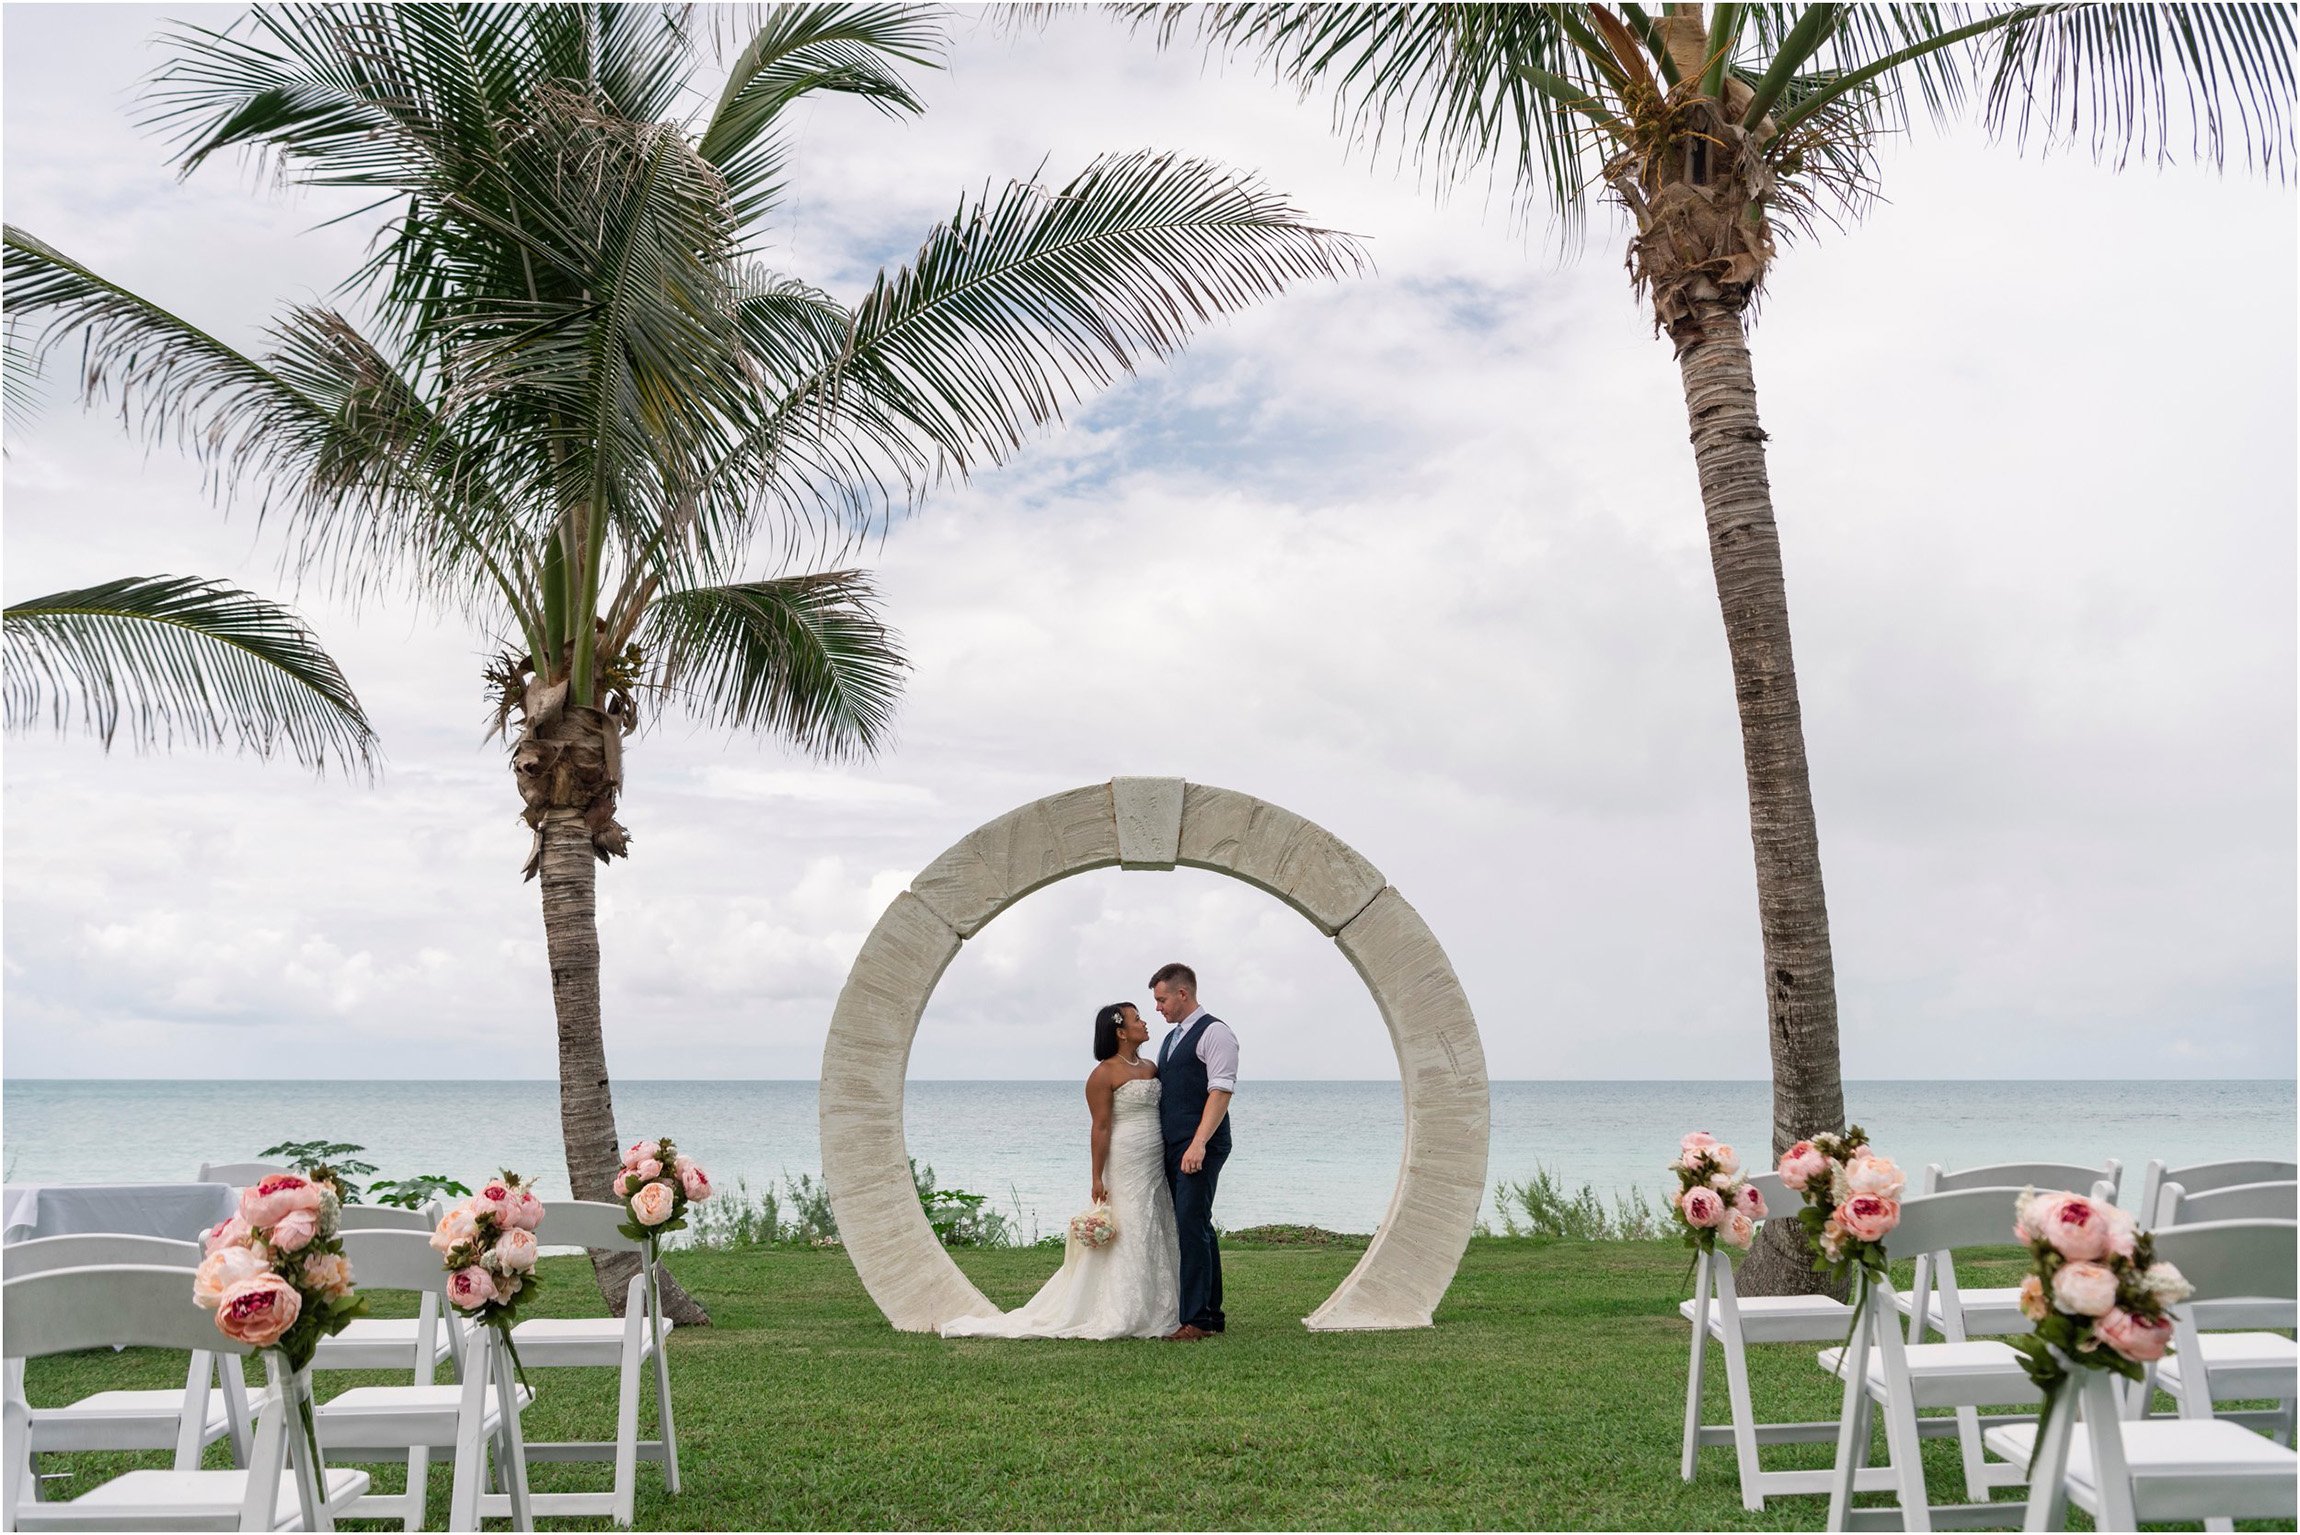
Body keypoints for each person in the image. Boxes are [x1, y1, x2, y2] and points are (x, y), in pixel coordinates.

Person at [938, 1002, 1180, 1340]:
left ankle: (1158, 1302)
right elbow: (1100, 1127)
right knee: (1131, 1222)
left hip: (1154, 1155)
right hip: (1125, 1156)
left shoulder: (1151, 1067)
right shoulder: (1103, 1074)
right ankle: (1123, 1307)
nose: (1144, 1022)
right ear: (1121, 1032)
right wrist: (1096, 1176)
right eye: (1136, 1019)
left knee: (1155, 1219)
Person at [1149, 961, 1236, 1340]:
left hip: (1200, 1145)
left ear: (1182, 993)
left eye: (1162, 1000)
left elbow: (1221, 1090)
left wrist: (1198, 1143)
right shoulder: (1171, 1039)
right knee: (1198, 1223)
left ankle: (1197, 1321)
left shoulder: (1215, 1033)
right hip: (1175, 1145)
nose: (1158, 1008)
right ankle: (1211, 1315)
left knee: (1190, 1225)